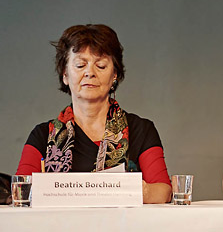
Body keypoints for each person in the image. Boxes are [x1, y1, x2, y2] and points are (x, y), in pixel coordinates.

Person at [16, 24, 172, 204]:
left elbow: (163, 191)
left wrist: (132, 190)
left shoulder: (141, 129)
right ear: (65, 74)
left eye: (101, 65)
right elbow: (21, 192)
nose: (90, 73)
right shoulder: (42, 135)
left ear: (114, 74)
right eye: (80, 65)